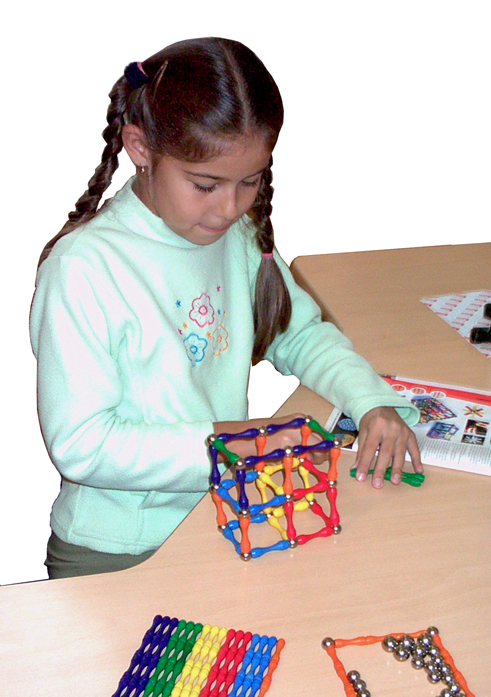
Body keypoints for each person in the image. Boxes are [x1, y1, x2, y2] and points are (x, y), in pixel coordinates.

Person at [30, 37, 422, 579]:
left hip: (223, 516)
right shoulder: (84, 269)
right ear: (140, 148)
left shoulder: (233, 235)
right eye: (206, 185)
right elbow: (83, 445)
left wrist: (371, 402)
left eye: (250, 181)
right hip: (120, 551)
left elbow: (300, 333)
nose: (230, 207)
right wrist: (244, 442)